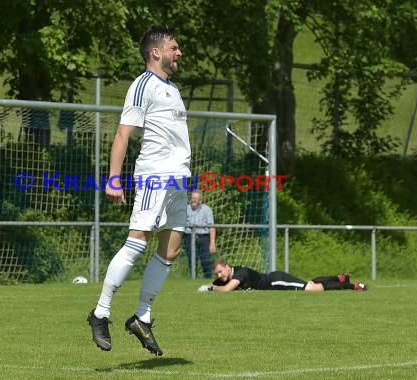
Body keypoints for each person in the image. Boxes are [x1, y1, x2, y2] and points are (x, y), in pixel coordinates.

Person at [87, 25, 189, 357]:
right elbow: (122, 134)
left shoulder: (171, 88)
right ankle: (101, 312)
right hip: (154, 177)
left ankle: (141, 317)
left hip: (177, 179)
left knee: (171, 248)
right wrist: (113, 178)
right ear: (156, 52)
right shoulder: (142, 85)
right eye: (174, 47)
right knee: (137, 241)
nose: (179, 53)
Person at [198, 258, 369, 292]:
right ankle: (340, 278)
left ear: (228, 267)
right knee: (308, 283)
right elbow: (218, 284)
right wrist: (210, 286)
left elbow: (226, 289)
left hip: (277, 281)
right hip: (275, 279)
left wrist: (211, 289)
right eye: (217, 274)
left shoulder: (240, 274)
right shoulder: (227, 276)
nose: (219, 275)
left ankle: (352, 285)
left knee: (312, 289)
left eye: (221, 271)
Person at [184, 190, 216, 278]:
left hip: (203, 238)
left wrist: (212, 242)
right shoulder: (185, 209)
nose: (193, 200)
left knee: (206, 261)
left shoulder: (207, 210)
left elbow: (212, 226)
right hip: (189, 237)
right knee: (192, 261)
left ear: (200, 200)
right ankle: (193, 280)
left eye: (195, 198)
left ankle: (208, 280)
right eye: (192, 198)